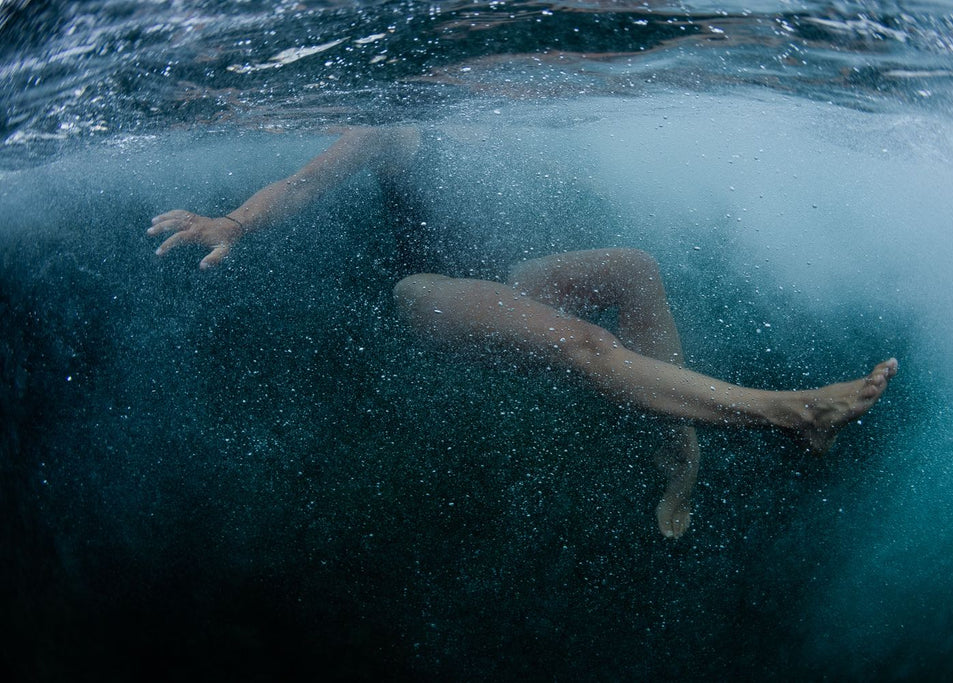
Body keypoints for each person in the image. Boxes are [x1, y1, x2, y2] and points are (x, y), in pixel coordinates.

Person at [147, 125, 897, 538]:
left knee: (635, 267)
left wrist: (588, 183)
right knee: (586, 344)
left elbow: (537, 160)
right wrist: (236, 221)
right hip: (426, 292)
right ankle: (791, 411)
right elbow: (308, 180)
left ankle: (681, 452)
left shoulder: (500, 99)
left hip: (506, 276)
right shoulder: (393, 123)